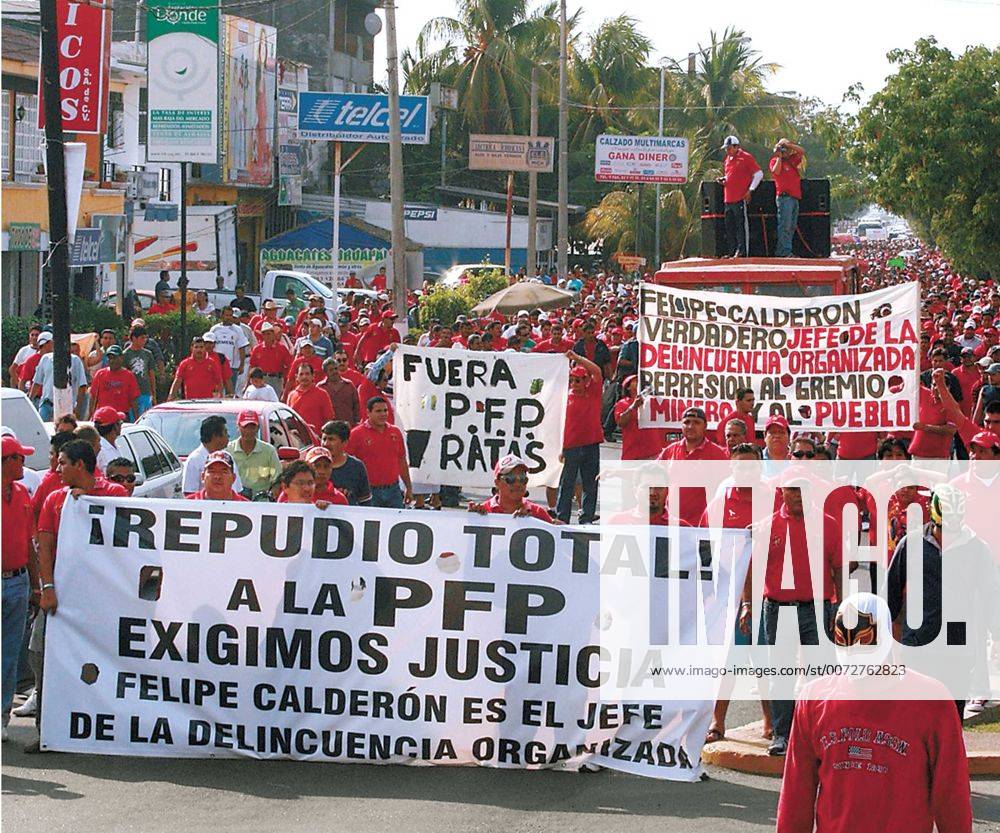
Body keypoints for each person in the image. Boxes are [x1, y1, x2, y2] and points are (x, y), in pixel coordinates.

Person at [777, 593, 972, 833]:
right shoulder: (814, 699)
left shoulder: (931, 701)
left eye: (865, 642)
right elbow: (796, 796)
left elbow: (951, 795)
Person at [33, 440, 127, 747]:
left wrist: (88, 503)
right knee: (40, 654)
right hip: (61, 596)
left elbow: (125, 526)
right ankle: (46, 729)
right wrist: (47, 588)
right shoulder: (54, 500)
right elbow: (44, 547)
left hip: (101, 599)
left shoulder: (113, 493)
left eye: (63, 463)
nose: (58, 469)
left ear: (80, 466)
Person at [757, 480, 841, 756]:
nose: (797, 495)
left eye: (802, 489)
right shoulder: (766, 526)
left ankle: (819, 731)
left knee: (820, 672)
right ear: (782, 492)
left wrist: (837, 605)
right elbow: (752, 567)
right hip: (778, 608)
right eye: (791, 489)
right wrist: (748, 603)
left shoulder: (828, 524)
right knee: (781, 672)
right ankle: (783, 733)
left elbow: (838, 566)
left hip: (816, 608)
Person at [2, 435, 40, 741]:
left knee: (10, 654)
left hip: (17, 582)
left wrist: (37, 584)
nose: (23, 463)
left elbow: (29, 543)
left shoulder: (23, 493)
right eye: (18, 457)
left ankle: (1, 716)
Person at [556, 352, 604, 524]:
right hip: (571, 447)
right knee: (566, 484)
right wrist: (560, 448)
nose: (574, 384)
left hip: (591, 444)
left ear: (586, 381)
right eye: (572, 380)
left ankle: (587, 517)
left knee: (590, 484)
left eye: (578, 380)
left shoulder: (593, 392)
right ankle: (562, 517)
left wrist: (577, 358)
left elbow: (597, 371)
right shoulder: (564, 397)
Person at [347, 397, 411, 508]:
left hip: (393, 490)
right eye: (378, 411)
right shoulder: (356, 434)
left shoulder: (395, 432)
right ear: (368, 412)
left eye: (385, 410)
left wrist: (408, 487)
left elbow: (401, 460)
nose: (383, 414)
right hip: (369, 491)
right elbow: (346, 461)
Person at [468, 455, 554, 521]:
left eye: (522, 478)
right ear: (497, 483)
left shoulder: (538, 513)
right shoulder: (483, 511)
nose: (517, 484)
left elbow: (562, 536)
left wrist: (533, 523)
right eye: (510, 478)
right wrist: (471, 519)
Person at [719, 135, 762, 258]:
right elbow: (730, 175)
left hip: (740, 198)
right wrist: (724, 180)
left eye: (729, 148)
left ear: (736, 146)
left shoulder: (746, 157)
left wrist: (750, 190)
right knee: (729, 226)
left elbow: (758, 174)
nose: (727, 151)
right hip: (728, 198)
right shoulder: (727, 159)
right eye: (726, 148)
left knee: (740, 225)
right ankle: (731, 251)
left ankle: (741, 251)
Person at [30, 334, 88, 420]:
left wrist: (77, 408)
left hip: (67, 406)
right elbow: (37, 382)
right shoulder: (45, 358)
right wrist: (30, 400)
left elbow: (82, 385)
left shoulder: (75, 360)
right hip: (47, 404)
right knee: (43, 430)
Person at [182, 416, 243, 495]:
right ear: (215, 436)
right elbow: (189, 494)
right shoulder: (194, 460)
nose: (228, 436)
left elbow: (238, 490)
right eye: (225, 432)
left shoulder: (228, 457)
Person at [227, 410, 281, 498]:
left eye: (252, 427)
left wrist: (270, 497)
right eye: (245, 427)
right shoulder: (228, 450)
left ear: (258, 428)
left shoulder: (269, 451)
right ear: (238, 427)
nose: (249, 431)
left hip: (261, 502)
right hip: (234, 501)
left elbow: (277, 481)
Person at [769, 138, 806, 257]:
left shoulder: (792, 160)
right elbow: (776, 171)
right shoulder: (774, 160)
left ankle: (785, 250)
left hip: (794, 197)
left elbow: (801, 151)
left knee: (791, 225)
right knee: (785, 225)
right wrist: (779, 155)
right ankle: (784, 251)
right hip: (784, 198)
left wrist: (789, 145)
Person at [321, 420, 372, 506]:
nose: (326, 444)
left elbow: (365, 502)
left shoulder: (357, 467)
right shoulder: (313, 465)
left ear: (345, 443)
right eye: (324, 439)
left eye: (331, 439)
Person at [613, 376, 664, 460]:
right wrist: (633, 407)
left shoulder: (652, 401)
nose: (639, 382)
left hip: (653, 452)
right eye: (636, 381)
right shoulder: (622, 403)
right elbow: (621, 422)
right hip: (633, 453)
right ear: (628, 387)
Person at [279, 447, 348, 505]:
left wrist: (326, 513)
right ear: (285, 487)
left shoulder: (339, 499)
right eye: (300, 483)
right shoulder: (285, 497)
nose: (321, 471)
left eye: (310, 483)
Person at [658, 407, 730, 461]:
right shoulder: (669, 452)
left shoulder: (718, 454)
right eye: (686, 422)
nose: (690, 427)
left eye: (696, 422)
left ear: (705, 426)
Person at [88, 344, 140, 418]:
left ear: (121, 358)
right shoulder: (100, 374)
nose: (112, 361)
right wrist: (91, 416)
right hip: (103, 416)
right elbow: (93, 397)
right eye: (110, 358)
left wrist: (136, 418)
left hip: (121, 416)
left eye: (115, 358)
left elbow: (133, 399)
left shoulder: (129, 375)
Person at [286, 363, 334, 436]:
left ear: (313, 376)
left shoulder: (322, 394)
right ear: (296, 377)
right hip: (296, 439)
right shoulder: (291, 395)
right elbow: (288, 419)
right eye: (301, 374)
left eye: (307, 374)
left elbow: (329, 418)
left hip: (315, 439)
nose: (304, 377)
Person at [169, 336, 225, 400]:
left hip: (208, 402)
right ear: (191, 348)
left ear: (204, 348)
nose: (199, 350)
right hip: (191, 402)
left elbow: (219, 381)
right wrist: (171, 396)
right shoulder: (185, 364)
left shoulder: (212, 363)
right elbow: (177, 381)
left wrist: (220, 396)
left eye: (201, 347)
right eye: (196, 347)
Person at [211, 306, 250, 391]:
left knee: (230, 391)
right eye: (227, 315)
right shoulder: (215, 329)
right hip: (216, 365)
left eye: (230, 315)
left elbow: (241, 347)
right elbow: (209, 346)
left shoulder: (238, 330)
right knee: (217, 390)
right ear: (222, 316)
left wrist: (242, 364)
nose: (229, 317)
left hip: (232, 366)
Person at [248, 322, 292, 397]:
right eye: (264, 334)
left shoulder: (282, 348)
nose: (267, 336)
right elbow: (252, 367)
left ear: (273, 335)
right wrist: (248, 383)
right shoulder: (257, 349)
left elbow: (289, 365)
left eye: (269, 334)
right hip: (260, 380)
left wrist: (286, 382)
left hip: (276, 380)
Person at [122, 325, 157, 418]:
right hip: (132, 394)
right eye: (142, 338)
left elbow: (151, 375)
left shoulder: (148, 354)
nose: (144, 340)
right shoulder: (125, 354)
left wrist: (153, 394)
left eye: (145, 338)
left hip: (146, 392)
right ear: (134, 338)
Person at [318, 356, 360, 426]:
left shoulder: (349, 385)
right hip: (329, 427)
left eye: (336, 369)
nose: (334, 371)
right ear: (326, 372)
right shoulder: (320, 387)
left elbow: (356, 405)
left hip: (348, 425)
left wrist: (356, 421)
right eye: (331, 370)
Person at [92, 407, 126, 471]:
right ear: (115, 426)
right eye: (120, 422)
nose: (121, 426)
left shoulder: (114, 445)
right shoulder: (99, 450)